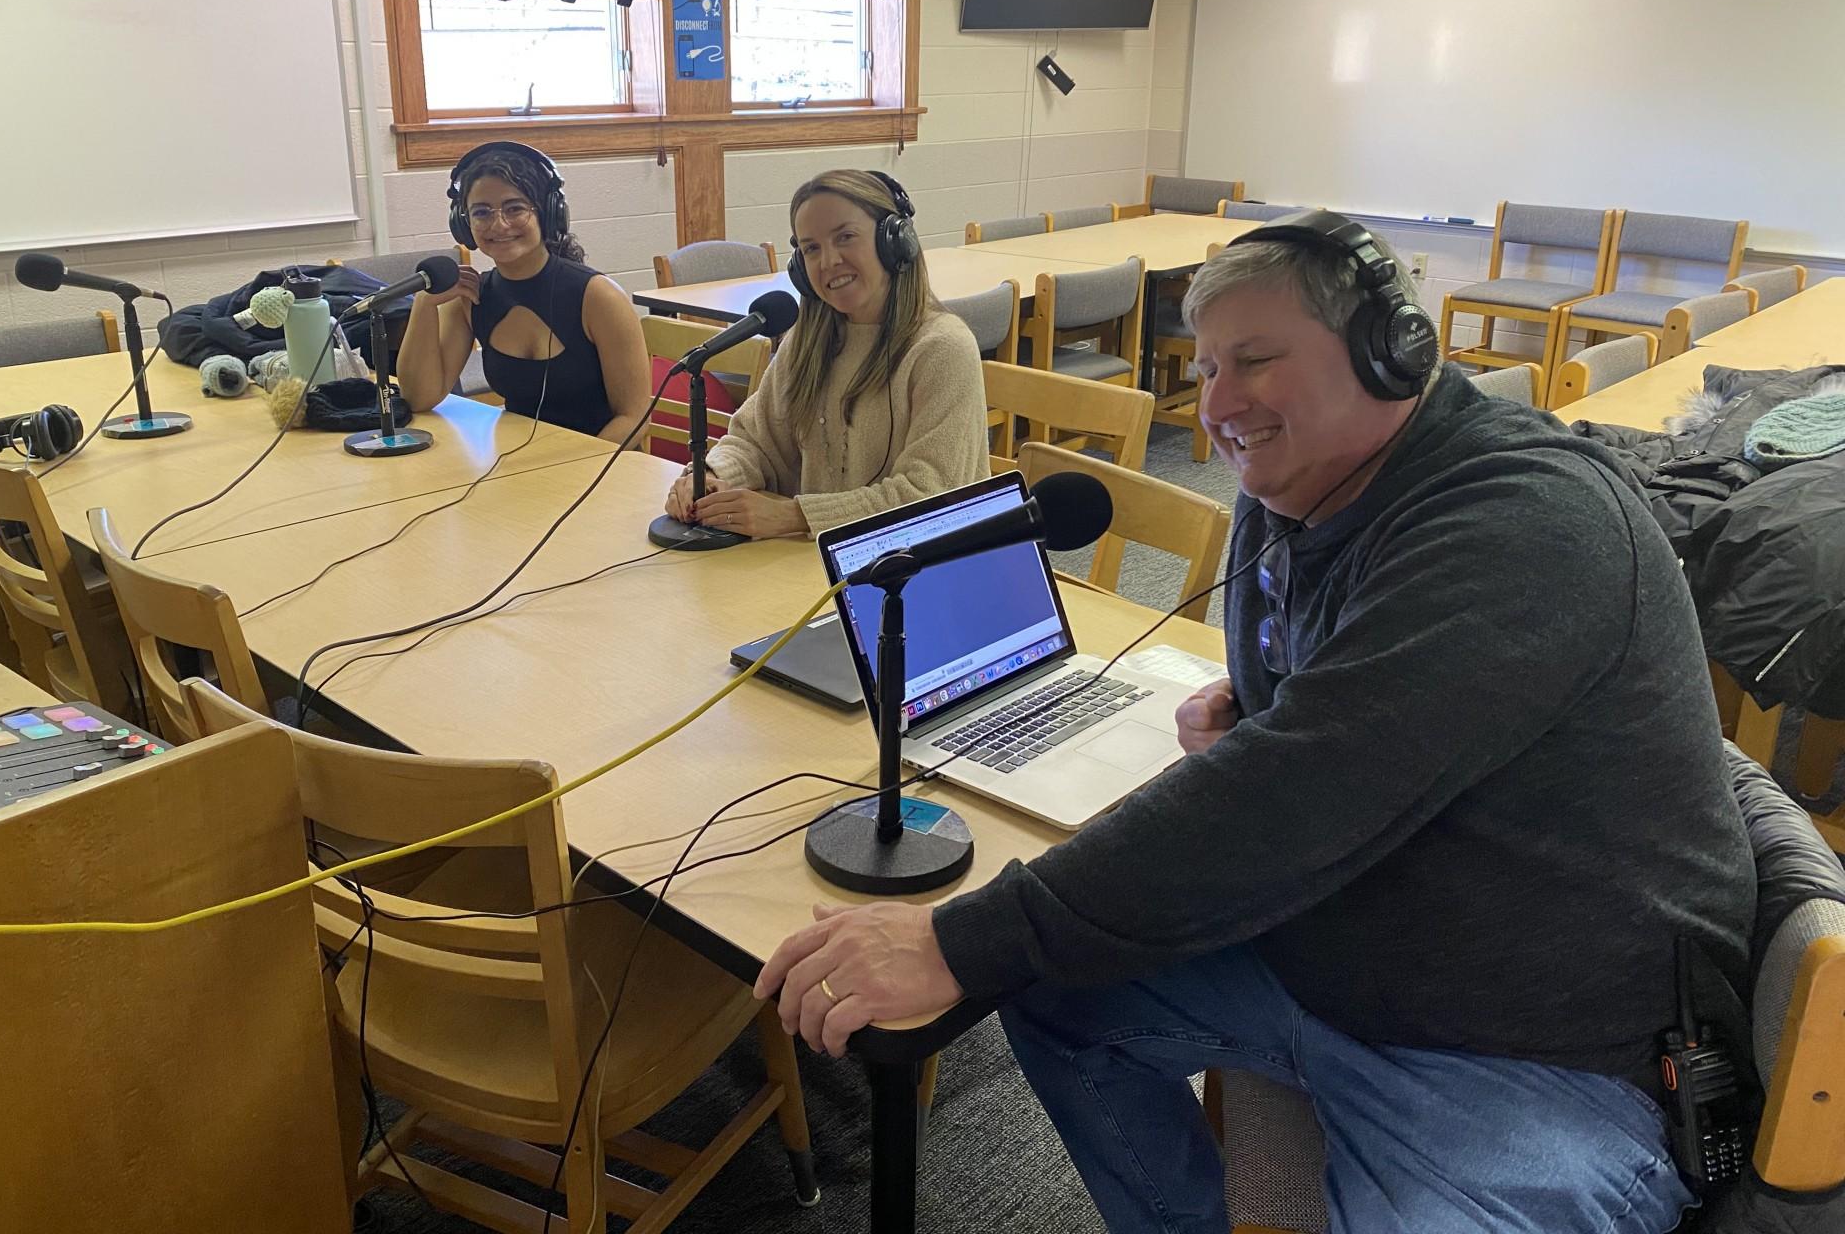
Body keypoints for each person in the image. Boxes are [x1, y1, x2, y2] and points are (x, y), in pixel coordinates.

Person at [756, 212, 1755, 1232]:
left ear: (1390, 355)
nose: (1219, 406)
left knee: (1015, 950)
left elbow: (1291, 799)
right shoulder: (1309, 491)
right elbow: (1325, 752)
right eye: (1208, 366)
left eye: (1256, 362)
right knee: (1058, 989)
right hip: (1346, 955)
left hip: (1537, 1052)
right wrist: (1279, 715)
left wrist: (957, 943)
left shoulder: (1524, 526)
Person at [661, 169, 990, 539]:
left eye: (845, 237)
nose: (828, 261)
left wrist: (793, 516)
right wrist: (710, 477)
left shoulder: (941, 349)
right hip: (818, 562)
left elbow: (930, 497)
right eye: (811, 248)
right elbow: (755, 439)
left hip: (920, 570)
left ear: (894, 241)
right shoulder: (808, 340)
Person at [396, 140, 650, 443]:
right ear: (463, 224)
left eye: (514, 208)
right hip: (521, 464)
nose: (498, 224)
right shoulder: (472, 299)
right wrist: (424, 304)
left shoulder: (598, 297)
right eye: (481, 212)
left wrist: (579, 472)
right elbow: (420, 398)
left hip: (601, 468)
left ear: (547, 213)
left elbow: (634, 417)